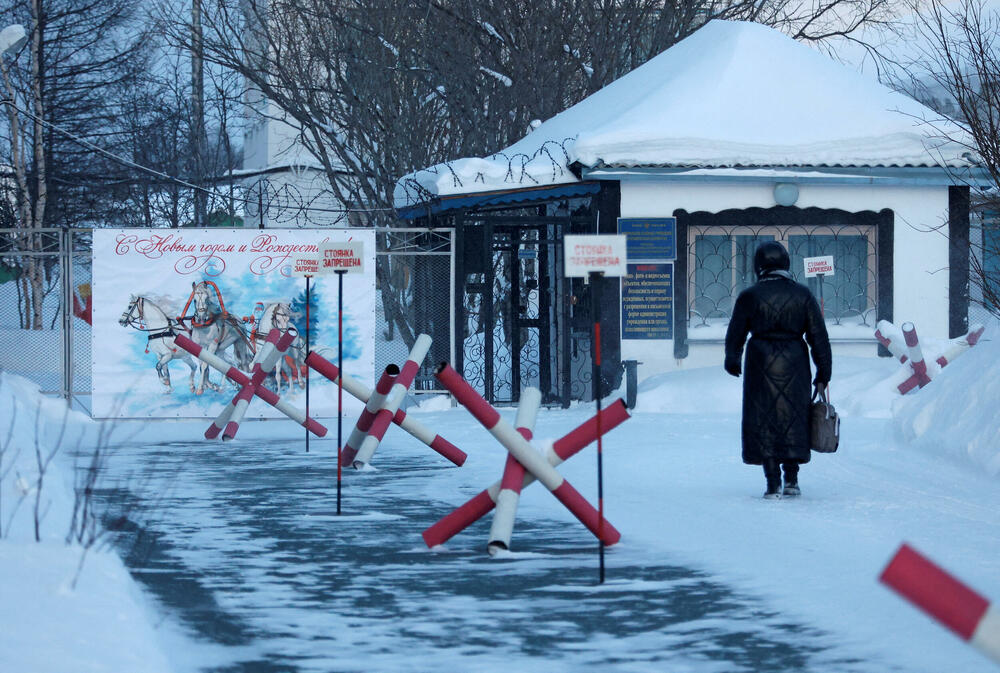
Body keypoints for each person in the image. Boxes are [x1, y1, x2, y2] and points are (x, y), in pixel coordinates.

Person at [724, 241, 832, 499]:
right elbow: (818, 336)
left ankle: (772, 482)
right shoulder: (803, 294)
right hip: (795, 362)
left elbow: (735, 332)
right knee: (793, 418)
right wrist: (823, 372)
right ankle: (792, 479)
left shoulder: (749, 296)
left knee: (764, 421)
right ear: (786, 263)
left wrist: (732, 358)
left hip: (760, 362)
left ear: (758, 266)